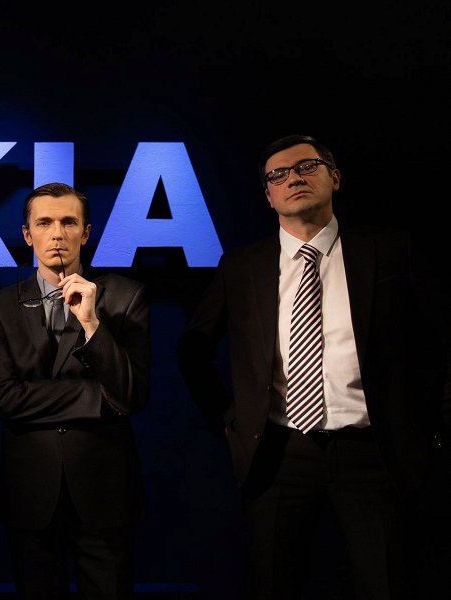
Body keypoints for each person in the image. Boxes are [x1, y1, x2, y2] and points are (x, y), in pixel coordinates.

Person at [177, 134, 450, 598]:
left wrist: (436, 427)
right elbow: (192, 349)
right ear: (268, 196)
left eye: (307, 166)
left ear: (334, 177)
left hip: (373, 453)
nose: (294, 179)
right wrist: (229, 423)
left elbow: (441, 340)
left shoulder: (390, 251)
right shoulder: (242, 266)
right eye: (278, 175)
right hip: (278, 455)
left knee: (386, 584)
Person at [0, 182, 150, 599]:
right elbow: (6, 399)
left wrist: (91, 324)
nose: (57, 233)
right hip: (31, 491)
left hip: (105, 489)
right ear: (27, 234)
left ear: (85, 232)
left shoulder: (126, 297)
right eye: (44, 223)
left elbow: (131, 395)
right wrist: (97, 398)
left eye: (68, 222)